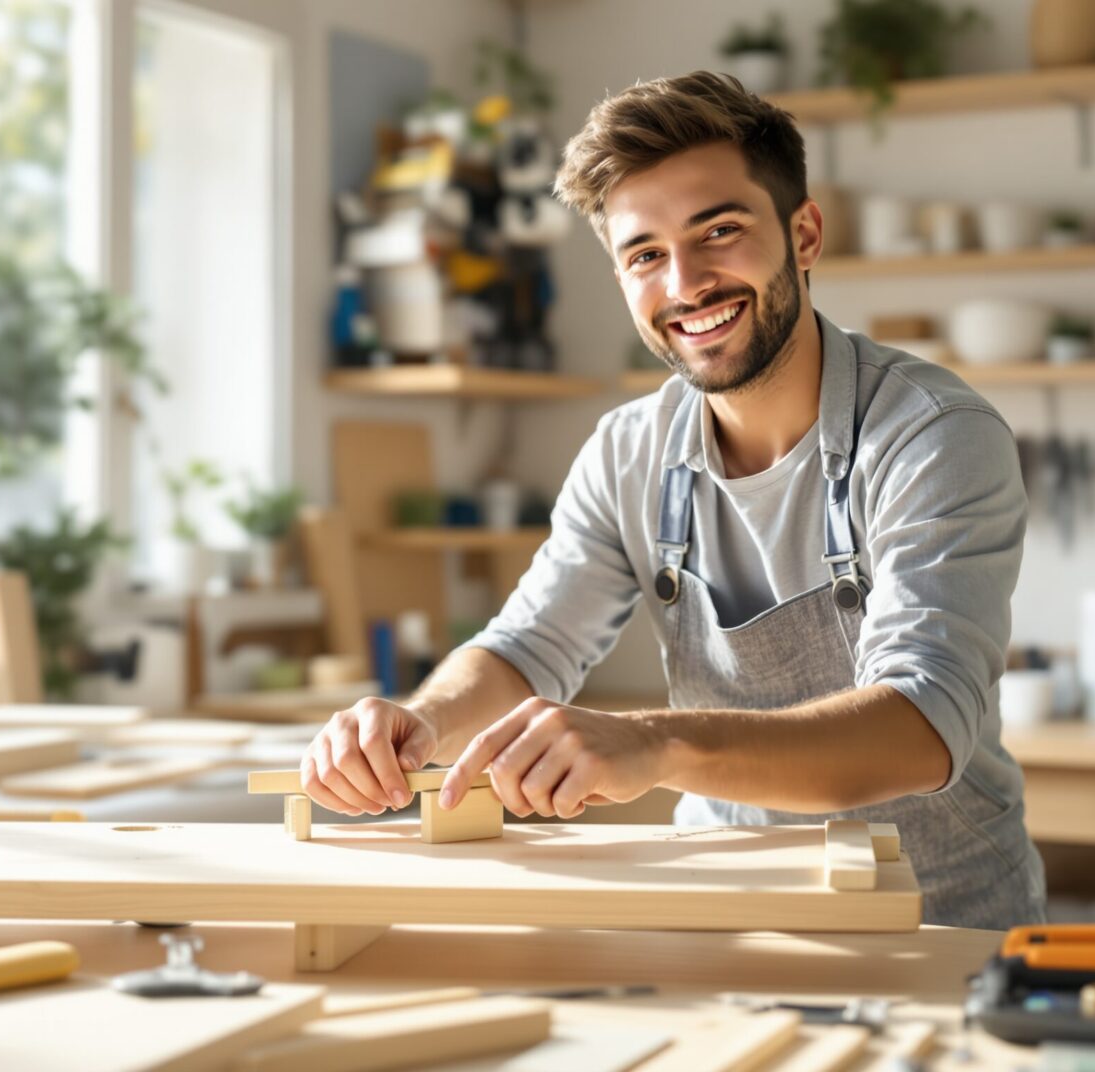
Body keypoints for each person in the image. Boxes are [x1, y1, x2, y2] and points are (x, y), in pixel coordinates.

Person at [299, 71, 1043, 928]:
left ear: (803, 234)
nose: (685, 284)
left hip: (938, 919)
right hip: (724, 907)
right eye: (644, 254)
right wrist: (418, 724)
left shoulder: (932, 434)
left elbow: (922, 724)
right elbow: (531, 644)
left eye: (719, 231)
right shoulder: (630, 451)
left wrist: (654, 743)